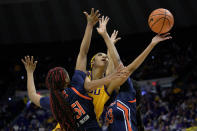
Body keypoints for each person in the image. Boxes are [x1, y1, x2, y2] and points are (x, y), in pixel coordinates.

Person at [21, 9, 129, 131]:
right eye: (100, 55)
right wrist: (90, 26)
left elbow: (32, 95)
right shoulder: (78, 85)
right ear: (66, 79)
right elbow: (83, 54)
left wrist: (30, 73)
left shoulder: (54, 99)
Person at [96, 16, 172, 131]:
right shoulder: (112, 98)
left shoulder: (127, 95)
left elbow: (121, 64)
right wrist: (109, 46)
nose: (120, 76)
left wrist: (105, 36)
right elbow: (109, 74)